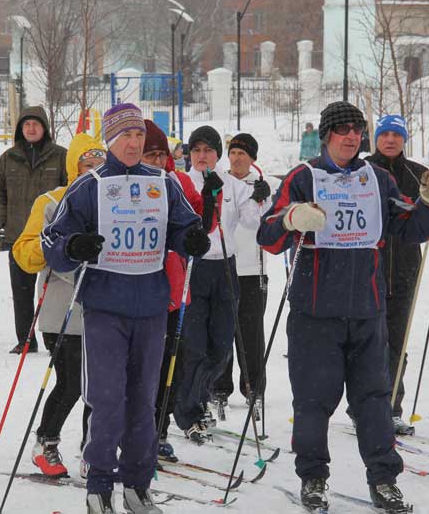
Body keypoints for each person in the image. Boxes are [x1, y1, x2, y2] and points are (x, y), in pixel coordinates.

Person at [258, 101, 429, 513]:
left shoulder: (376, 179)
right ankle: (314, 478)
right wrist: (291, 218)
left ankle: (384, 480)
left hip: (366, 309)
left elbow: (410, 227)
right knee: (313, 401)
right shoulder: (303, 177)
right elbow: (267, 236)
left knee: (374, 400)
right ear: (327, 136)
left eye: (357, 130)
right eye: (342, 130)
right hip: (315, 313)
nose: (351, 137)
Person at [41, 103, 209, 514]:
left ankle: (137, 485)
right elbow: (53, 242)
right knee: (108, 399)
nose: (133, 144)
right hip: (105, 307)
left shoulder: (162, 182)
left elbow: (184, 226)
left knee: (143, 401)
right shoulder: (89, 186)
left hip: (151, 305)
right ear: (110, 141)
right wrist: (73, 246)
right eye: (124, 137)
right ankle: (99, 486)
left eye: (138, 137)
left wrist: (191, 239)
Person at [12, 133, 106, 477]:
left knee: (99, 386)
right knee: (72, 382)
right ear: (73, 167)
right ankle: (46, 442)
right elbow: (24, 252)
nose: (94, 172)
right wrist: (64, 251)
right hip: (61, 312)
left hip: (102, 310)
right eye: (87, 165)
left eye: (100, 165)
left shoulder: (110, 203)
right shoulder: (52, 202)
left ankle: (94, 449)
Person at [172, 126, 270, 444]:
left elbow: (252, 221)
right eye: (197, 150)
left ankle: (196, 399)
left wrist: (258, 198)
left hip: (225, 268)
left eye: (208, 150)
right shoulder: (180, 182)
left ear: (217, 155)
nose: (202, 156)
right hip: (194, 268)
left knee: (221, 347)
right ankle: (190, 410)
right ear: (190, 154)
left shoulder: (231, 184)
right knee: (195, 346)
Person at [139, 120, 203, 463]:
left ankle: (159, 430)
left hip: (175, 286)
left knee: (171, 365)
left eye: (162, 155)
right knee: (143, 367)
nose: (158, 161)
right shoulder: (128, 185)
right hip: (142, 288)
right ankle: (135, 431)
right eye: (151, 154)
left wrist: (208, 199)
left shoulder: (174, 182)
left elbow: (198, 221)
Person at [364, 114, 428, 436]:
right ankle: (364, 406)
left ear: (404, 139)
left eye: (396, 135)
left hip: (404, 270)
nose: (390, 140)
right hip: (366, 271)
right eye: (385, 134)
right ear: (376, 138)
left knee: (396, 341)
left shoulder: (418, 174)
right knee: (368, 342)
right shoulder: (362, 171)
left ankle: (391, 408)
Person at [213, 133, 280, 420]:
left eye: (243, 153)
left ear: (252, 158)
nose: (237, 158)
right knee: (221, 332)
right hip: (223, 266)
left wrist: (265, 199)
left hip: (253, 271)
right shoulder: (220, 183)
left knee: (251, 335)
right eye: (233, 153)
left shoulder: (264, 186)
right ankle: (219, 388)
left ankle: (254, 388)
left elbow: (270, 222)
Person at [0, 106, 67, 354]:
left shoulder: (61, 157)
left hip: (51, 238)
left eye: (35, 124)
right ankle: (25, 339)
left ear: (44, 128)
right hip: (18, 237)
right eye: (26, 125)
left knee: (52, 290)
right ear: (20, 129)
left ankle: (53, 338)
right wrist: (3, 218)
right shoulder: (8, 158)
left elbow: (70, 191)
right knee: (22, 293)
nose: (31, 129)